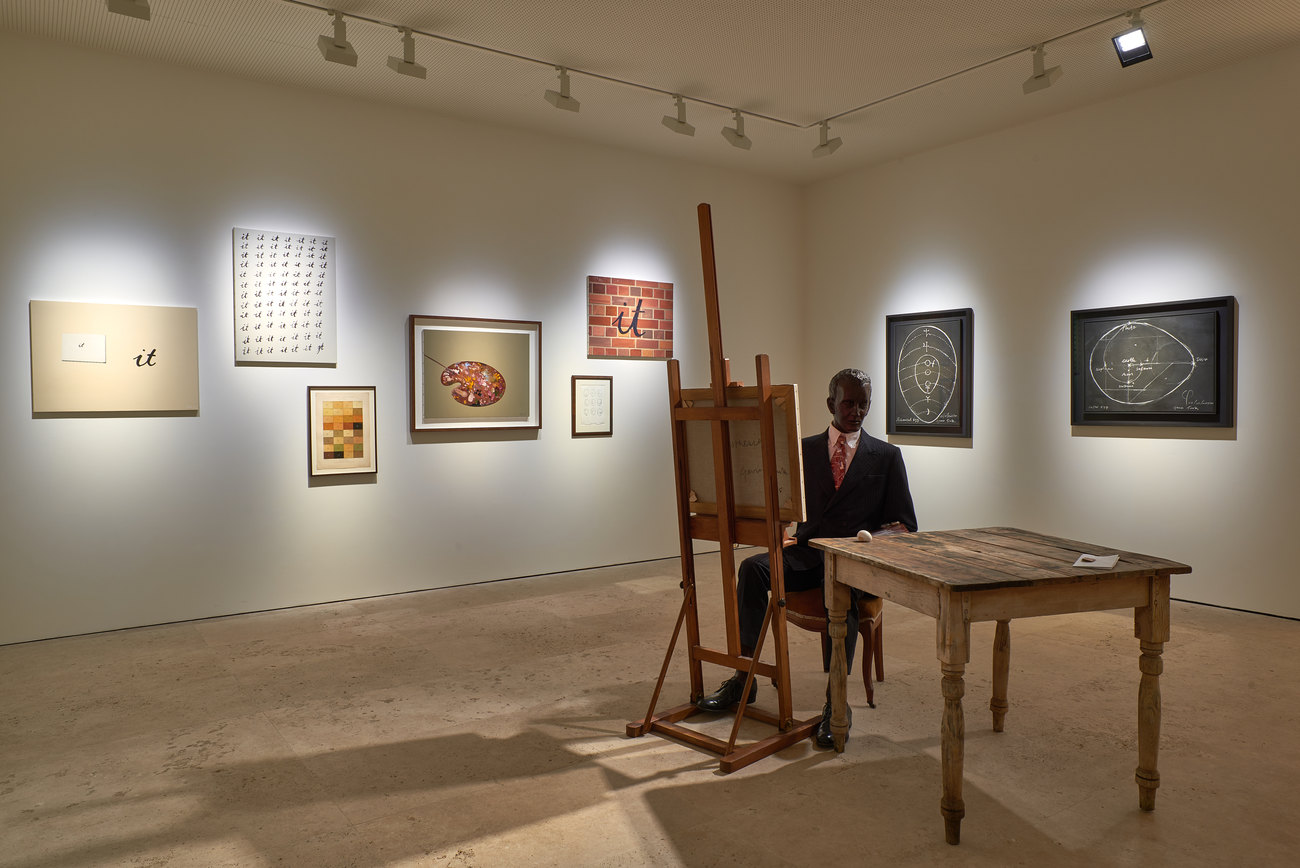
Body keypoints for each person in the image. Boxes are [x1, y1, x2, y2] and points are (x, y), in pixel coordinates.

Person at [696, 368, 918, 747]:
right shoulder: (802, 450)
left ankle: (836, 701)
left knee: (840, 595)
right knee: (752, 569)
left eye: (864, 404)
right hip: (806, 553)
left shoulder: (886, 456)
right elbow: (783, 504)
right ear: (831, 403)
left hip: (852, 565)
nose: (857, 411)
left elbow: (905, 525)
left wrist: (870, 539)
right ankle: (744, 677)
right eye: (849, 403)